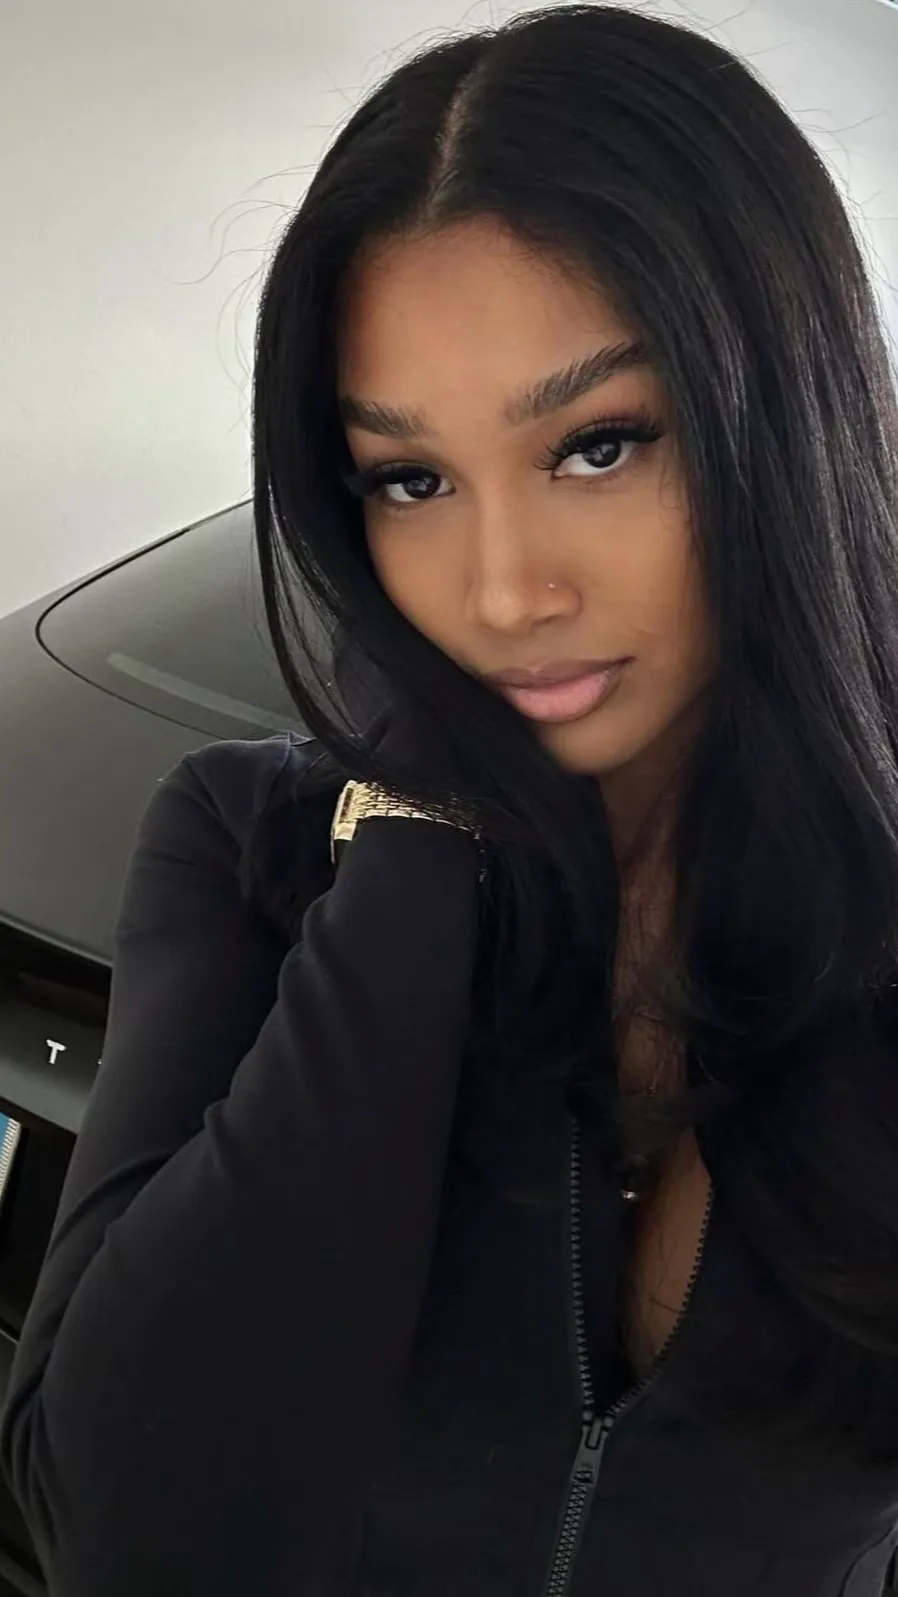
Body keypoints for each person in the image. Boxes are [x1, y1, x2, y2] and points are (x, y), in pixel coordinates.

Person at [5, 3, 898, 1592]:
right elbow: (122, 1531)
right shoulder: (247, 856)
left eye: (598, 445)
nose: (496, 594)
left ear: (789, 417)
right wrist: (419, 830)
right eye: (408, 481)